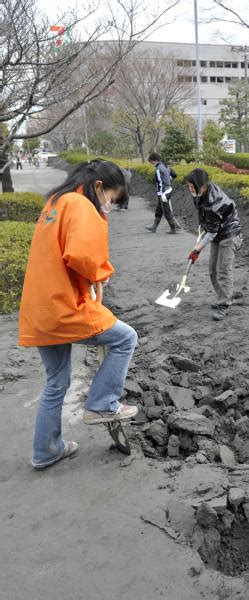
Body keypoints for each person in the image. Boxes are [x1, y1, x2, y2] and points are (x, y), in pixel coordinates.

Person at [19, 159, 138, 470]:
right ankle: (102, 404)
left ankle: (45, 451)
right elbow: (82, 256)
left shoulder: (55, 202)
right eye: (111, 198)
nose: (109, 206)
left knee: (57, 381)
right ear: (98, 187)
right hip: (63, 307)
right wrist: (102, 272)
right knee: (126, 338)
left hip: (40, 308)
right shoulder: (80, 204)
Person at [185, 168, 242, 322]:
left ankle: (224, 304)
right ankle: (223, 295)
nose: (190, 189)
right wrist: (200, 237)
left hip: (229, 234)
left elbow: (212, 232)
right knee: (212, 270)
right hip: (217, 232)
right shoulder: (201, 194)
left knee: (223, 269)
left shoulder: (214, 203)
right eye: (189, 186)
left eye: (192, 187)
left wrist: (197, 249)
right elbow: (206, 222)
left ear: (202, 186)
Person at [145, 152, 179, 234]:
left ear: (155, 160)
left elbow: (160, 183)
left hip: (163, 192)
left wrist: (160, 194)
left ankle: (173, 229)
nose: (151, 164)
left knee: (166, 211)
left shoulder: (158, 169)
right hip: (168, 190)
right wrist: (169, 179)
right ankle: (154, 227)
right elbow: (175, 175)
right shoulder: (166, 166)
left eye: (151, 162)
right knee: (159, 210)